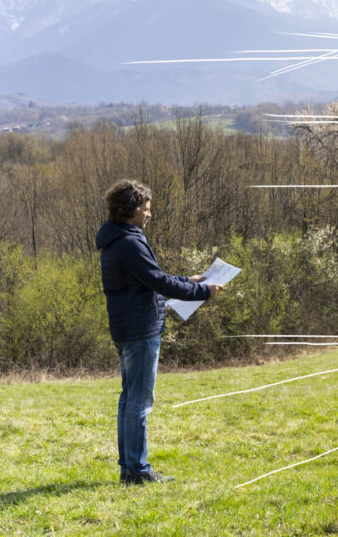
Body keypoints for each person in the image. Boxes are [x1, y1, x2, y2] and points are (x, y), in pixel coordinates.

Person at [96, 179, 224, 485]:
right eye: (146, 208)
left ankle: (130, 467)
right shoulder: (129, 242)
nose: (149, 214)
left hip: (128, 327)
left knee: (129, 399)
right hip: (140, 329)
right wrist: (202, 291)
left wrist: (187, 280)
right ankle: (137, 471)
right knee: (139, 402)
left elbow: (149, 278)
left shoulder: (118, 239)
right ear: (131, 209)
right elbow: (157, 282)